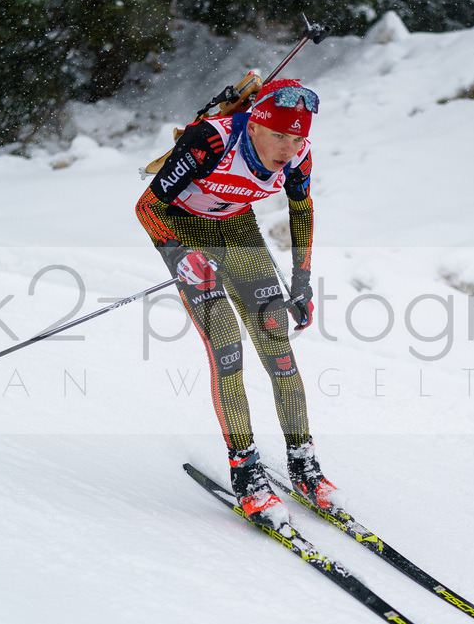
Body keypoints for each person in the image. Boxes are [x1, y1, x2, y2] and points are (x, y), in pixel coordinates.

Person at [136, 78, 338, 528]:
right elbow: (148, 207)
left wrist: (301, 281)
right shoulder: (212, 141)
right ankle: (246, 474)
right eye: (280, 135)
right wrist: (179, 255)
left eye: (298, 137)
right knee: (228, 347)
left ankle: (303, 464)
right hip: (185, 231)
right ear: (254, 125)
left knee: (278, 350)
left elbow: (301, 209)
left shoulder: (299, 156)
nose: (288, 148)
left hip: (237, 233)